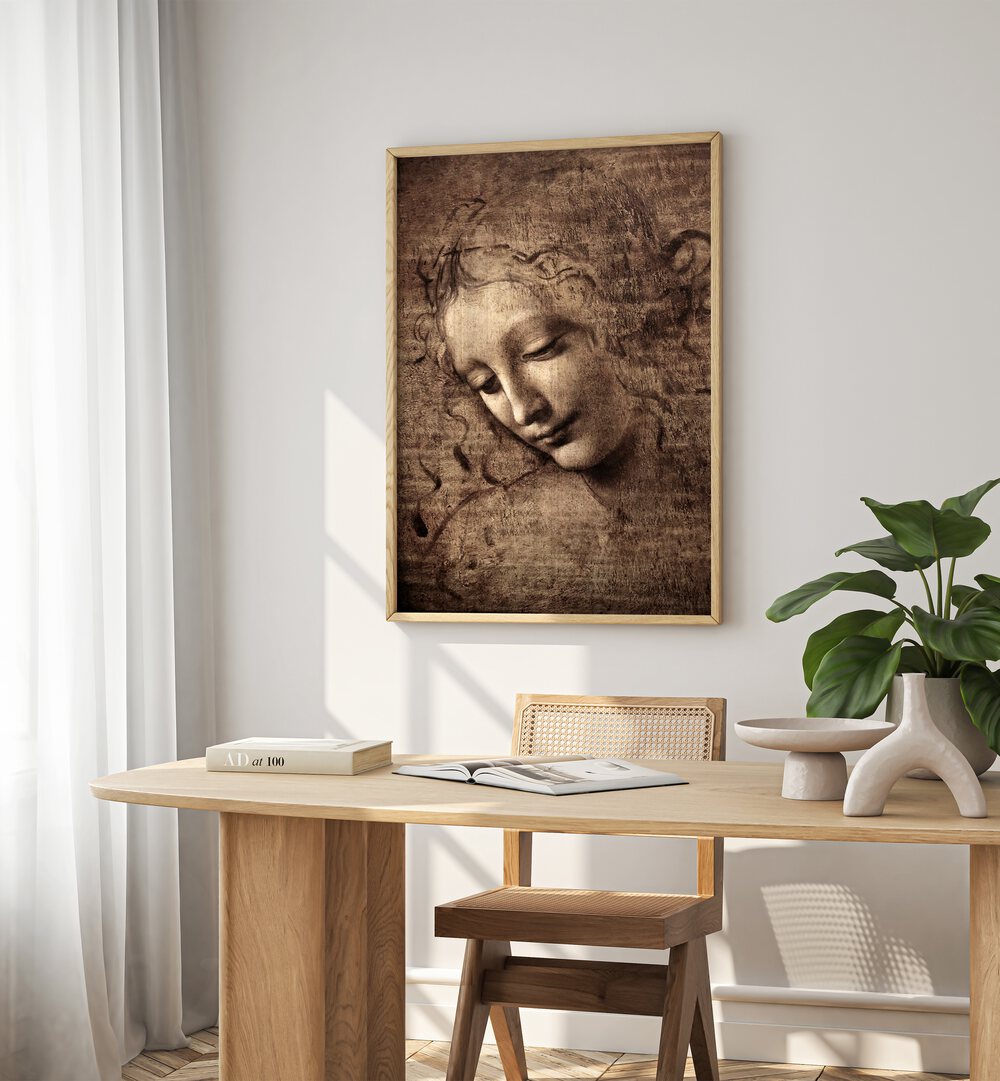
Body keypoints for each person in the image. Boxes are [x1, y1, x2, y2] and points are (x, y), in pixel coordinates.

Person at [403, 162, 711, 616]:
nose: (523, 410)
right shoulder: (484, 549)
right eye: (486, 384)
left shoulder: (724, 499)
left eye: (540, 350)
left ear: (620, 317)